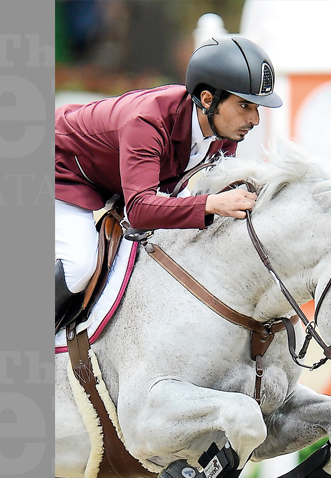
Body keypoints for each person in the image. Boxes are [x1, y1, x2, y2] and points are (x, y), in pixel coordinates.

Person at [55, 36, 283, 328]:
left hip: (113, 180)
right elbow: (138, 210)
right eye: (244, 106)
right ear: (208, 100)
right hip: (63, 171)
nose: (255, 119)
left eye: (257, 108)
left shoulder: (222, 131)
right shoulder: (147, 122)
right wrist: (211, 204)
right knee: (78, 267)